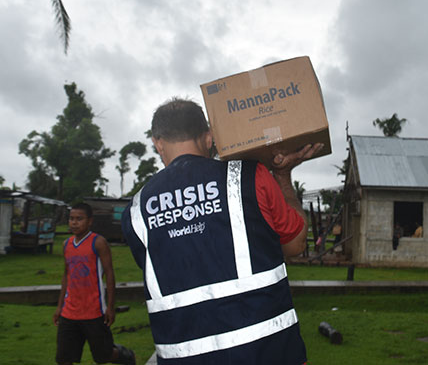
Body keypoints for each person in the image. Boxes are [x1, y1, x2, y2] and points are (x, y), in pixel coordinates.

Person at [122, 98, 319, 364]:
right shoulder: (249, 177)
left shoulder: (136, 210)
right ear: (208, 138)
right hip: (269, 352)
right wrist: (282, 175)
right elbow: (295, 244)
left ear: (158, 142)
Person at [54, 203, 135, 365]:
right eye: (71, 219)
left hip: (93, 311)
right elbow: (66, 275)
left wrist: (111, 307)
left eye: (79, 219)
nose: (74, 223)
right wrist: (59, 307)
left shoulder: (98, 243)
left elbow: (110, 275)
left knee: (102, 356)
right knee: (64, 358)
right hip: (69, 312)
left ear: (90, 221)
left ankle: (125, 355)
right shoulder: (66, 245)